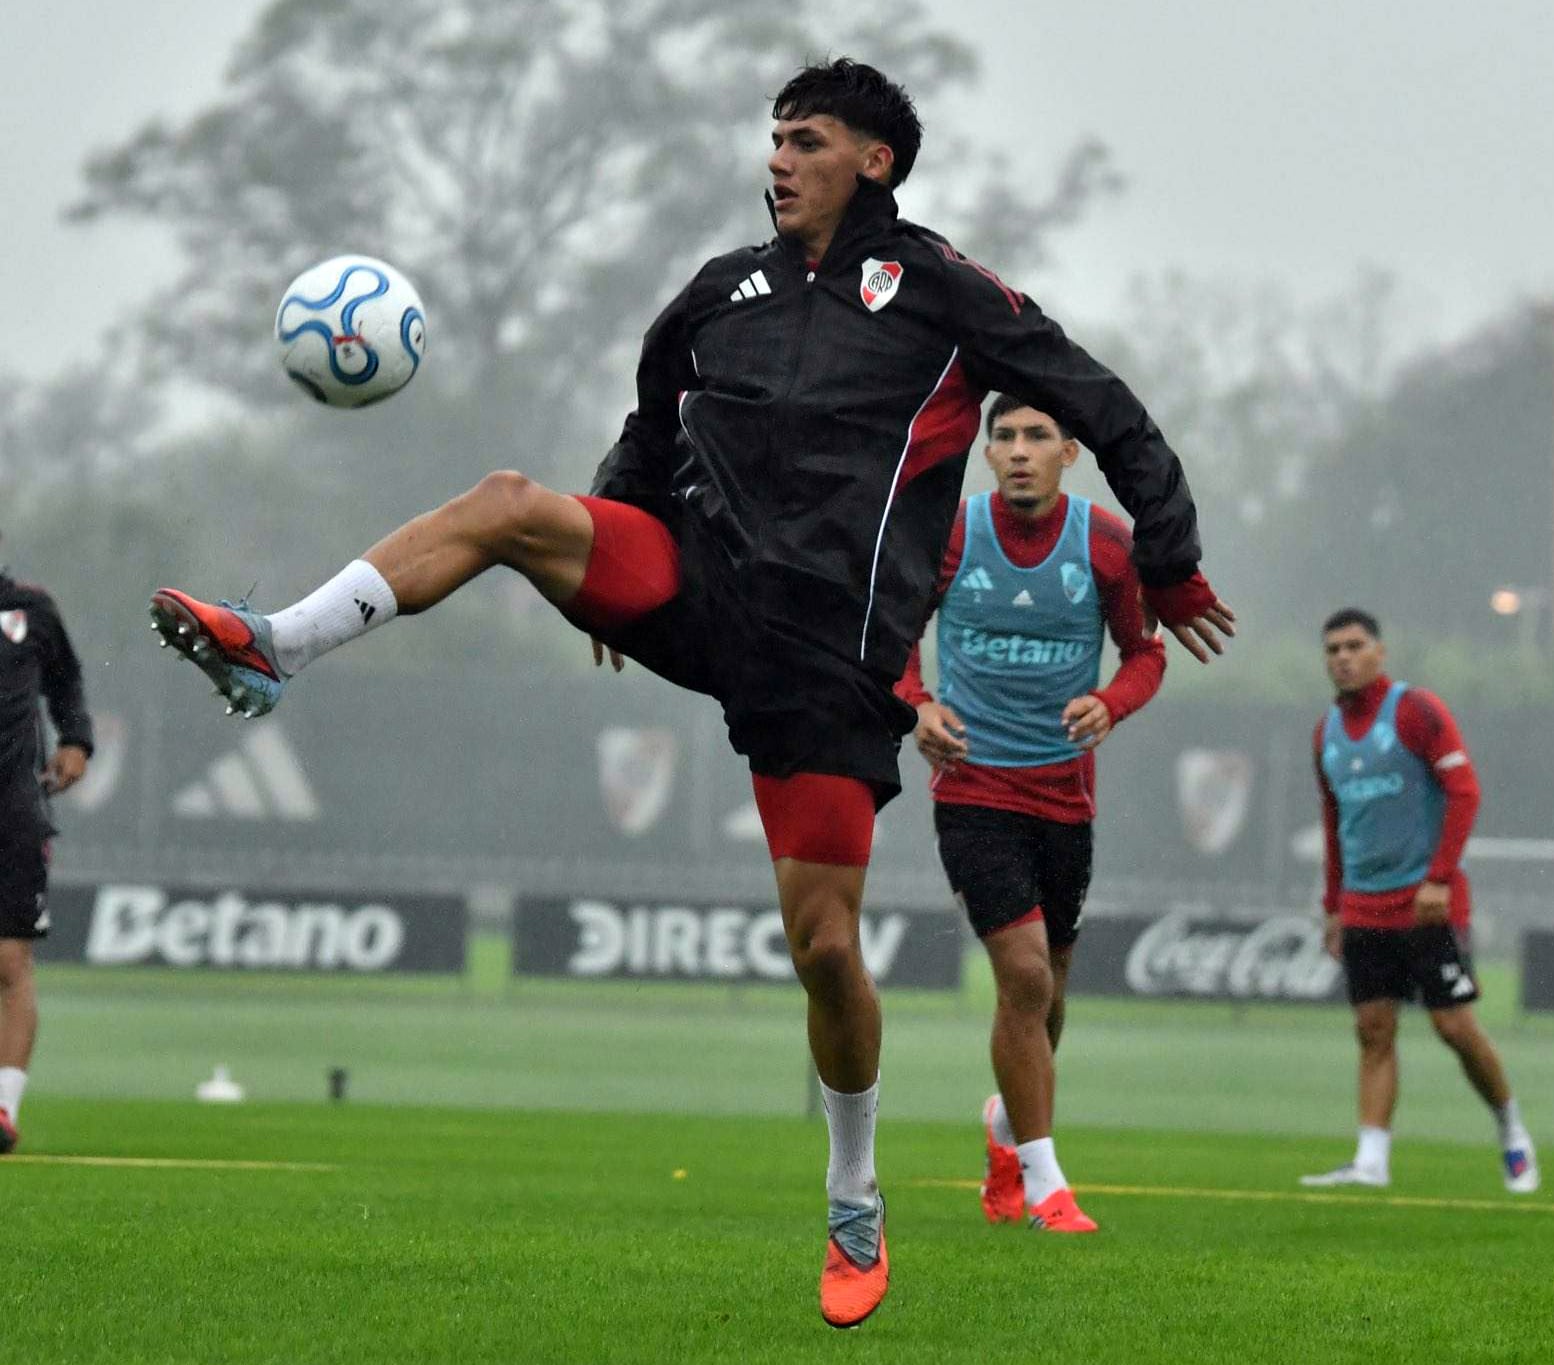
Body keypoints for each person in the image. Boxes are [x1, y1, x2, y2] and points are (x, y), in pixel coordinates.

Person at [148, 59, 1234, 1327]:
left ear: (875, 161)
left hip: (829, 658)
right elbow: (650, 424)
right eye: (772, 138)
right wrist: (606, 545)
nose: (777, 159)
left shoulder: (941, 292)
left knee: (825, 951)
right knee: (509, 503)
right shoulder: (723, 291)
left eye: (808, 141)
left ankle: (851, 1194)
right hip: (701, 585)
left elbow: (1110, 410)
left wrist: (1166, 557)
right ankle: (274, 644)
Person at [896, 396, 1166, 1235]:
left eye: (1036, 437)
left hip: (1065, 797)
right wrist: (917, 705)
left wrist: (1111, 704)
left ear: (1070, 453)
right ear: (985, 454)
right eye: (1004, 437)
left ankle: (1007, 1129)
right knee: (1022, 976)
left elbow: (1146, 652)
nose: (1019, 451)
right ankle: (1050, 1186)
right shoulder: (950, 533)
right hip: (974, 790)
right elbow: (890, 627)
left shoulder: (1105, 543)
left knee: (1048, 995)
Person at [1298, 609, 1538, 1193]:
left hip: (1427, 902)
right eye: (1332, 649)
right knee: (1372, 1030)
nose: (1343, 657)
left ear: (1380, 652)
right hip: (1363, 906)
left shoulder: (1415, 711)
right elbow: (1335, 824)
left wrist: (1439, 878)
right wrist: (1333, 905)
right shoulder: (1325, 733)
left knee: (1453, 1026)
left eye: (1355, 646)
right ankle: (1371, 1161)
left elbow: (1465, 790)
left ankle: (1511, 1129)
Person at [0, 536, 95, 1155]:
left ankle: (1, 1111)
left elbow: (67, 680)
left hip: (12, 812)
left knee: (8, 963)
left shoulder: (31, 608)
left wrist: (76, 740)